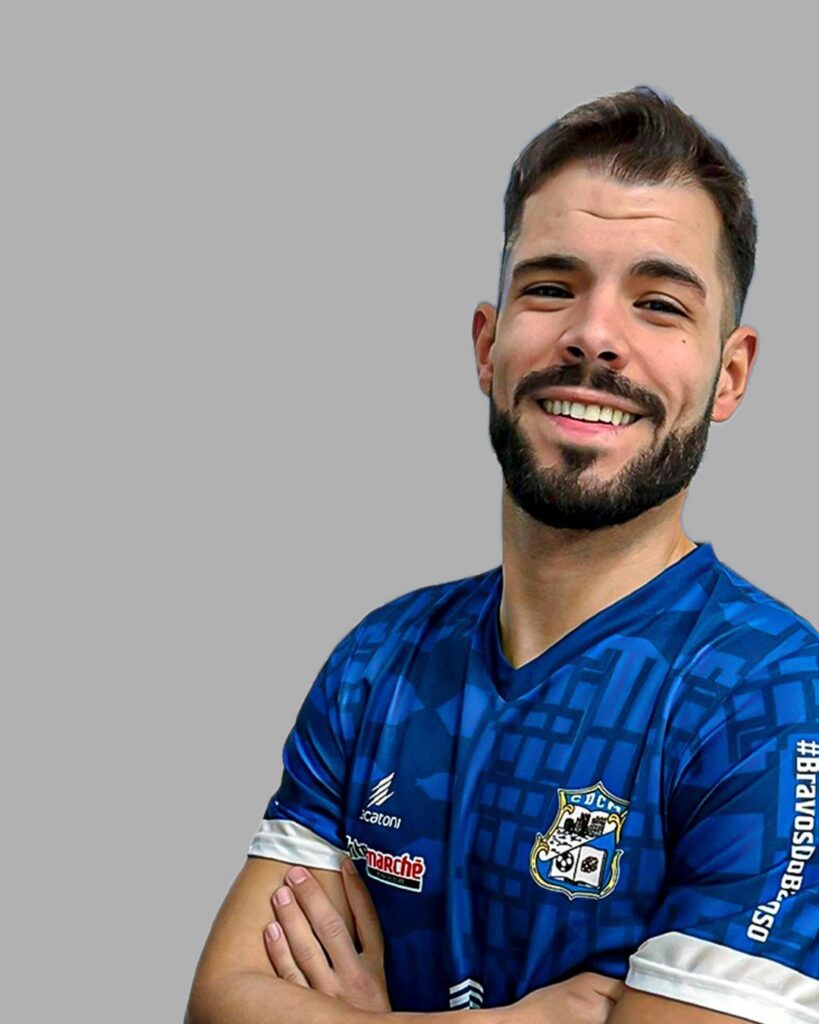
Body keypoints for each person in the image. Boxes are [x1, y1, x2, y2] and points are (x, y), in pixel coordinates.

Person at [185, 86, 819, 1024]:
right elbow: (220, 1005)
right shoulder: (382, 660)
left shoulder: (771, 699)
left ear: (728, 376)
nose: (593, 336)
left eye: (657, 305)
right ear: (487, 346)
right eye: (551, 288)